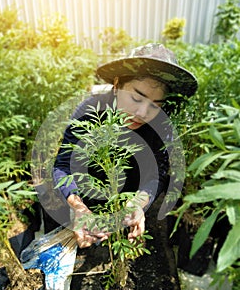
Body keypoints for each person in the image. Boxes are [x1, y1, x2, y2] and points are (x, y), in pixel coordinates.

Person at [53, 43, 197, 248]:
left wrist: (139, 203)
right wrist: (78, 207)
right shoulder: (89, 112)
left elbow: (158, 174)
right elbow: (63, 166)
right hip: (89, 198)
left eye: (155, 105)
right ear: (117, 84)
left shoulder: (162, 125)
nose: (142, 113)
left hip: (128, 199)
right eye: (136, 98)